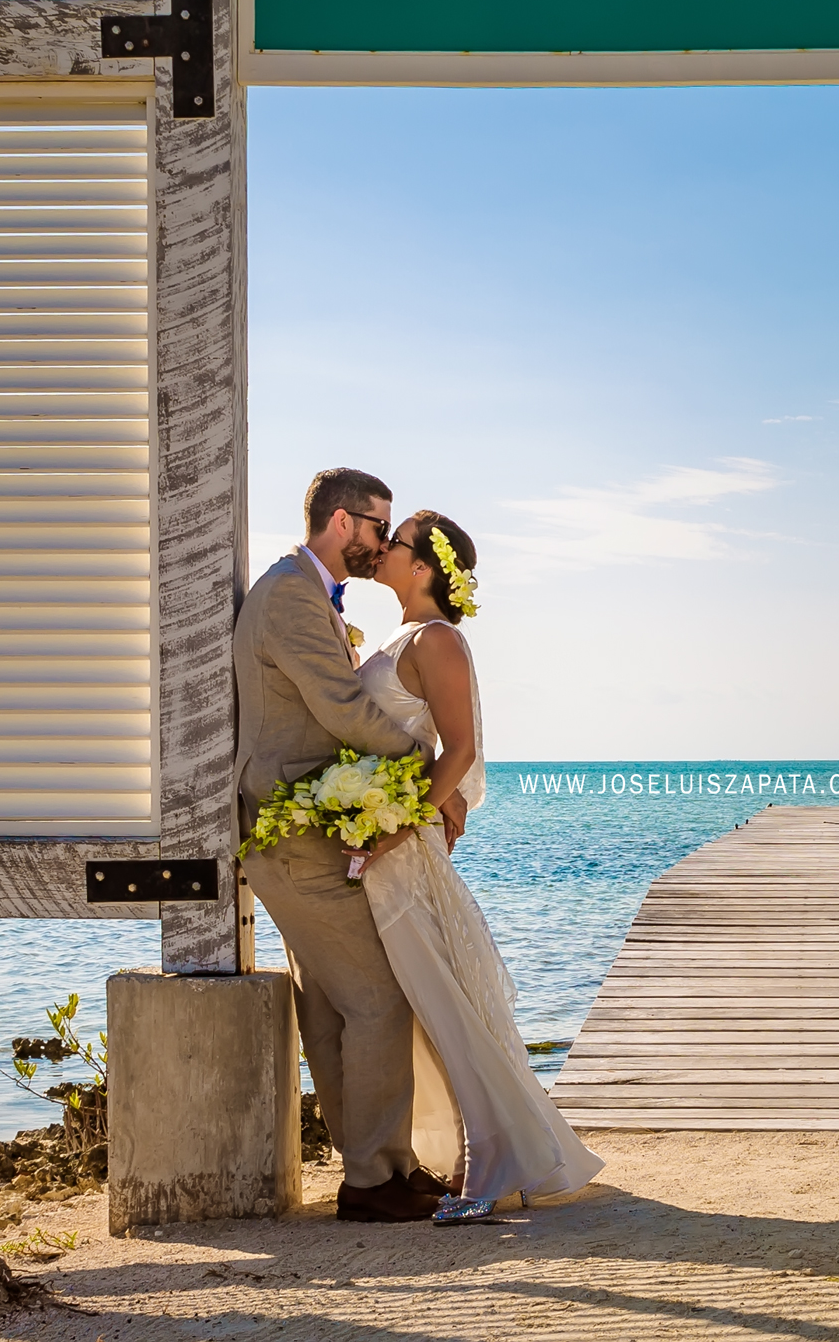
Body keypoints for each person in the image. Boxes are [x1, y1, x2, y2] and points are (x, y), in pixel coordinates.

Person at [353, 511, 606, 1221]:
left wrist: (395, 828)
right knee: (423, 1010)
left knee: (448, 1006)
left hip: (401, 850)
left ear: (424, 566)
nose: (381, 549)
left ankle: (486, 1169)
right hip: (380, 845)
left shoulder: (438, 640)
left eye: (394, 543)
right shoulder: (396, 639)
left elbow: (457, 751)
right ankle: (466, 1156)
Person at [233, 467, 446, 1224]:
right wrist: (427, 768)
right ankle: (372, 1178)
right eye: (376, 527)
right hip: (293, 836)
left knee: (328, 1005)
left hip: (300, 831)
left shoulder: (305, 590)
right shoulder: (292, 592)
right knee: (380, 999)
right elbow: (343, 705)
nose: (383, 542)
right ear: (341, 521)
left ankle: (377, 1165)